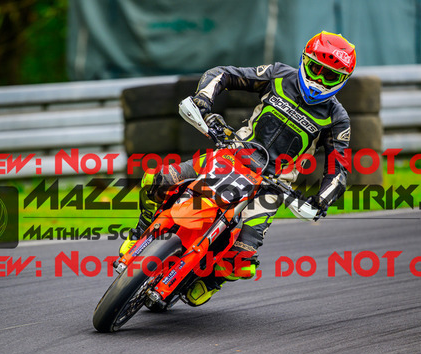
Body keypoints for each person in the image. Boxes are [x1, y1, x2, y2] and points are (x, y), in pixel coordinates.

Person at [120, 31, 356, 306]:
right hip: (232, 153)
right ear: (305, 61)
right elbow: (224, 74)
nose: (319, 81)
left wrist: (321, 200)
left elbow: (338, 168)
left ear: (342, 80)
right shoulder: (279, 74)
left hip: (272, 184)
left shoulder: (337, 119)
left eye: (330, 76)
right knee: (158, 180)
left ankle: (212, 279)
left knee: (243, 258)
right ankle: (140, 231)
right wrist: (203, 99)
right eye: (316, 69)